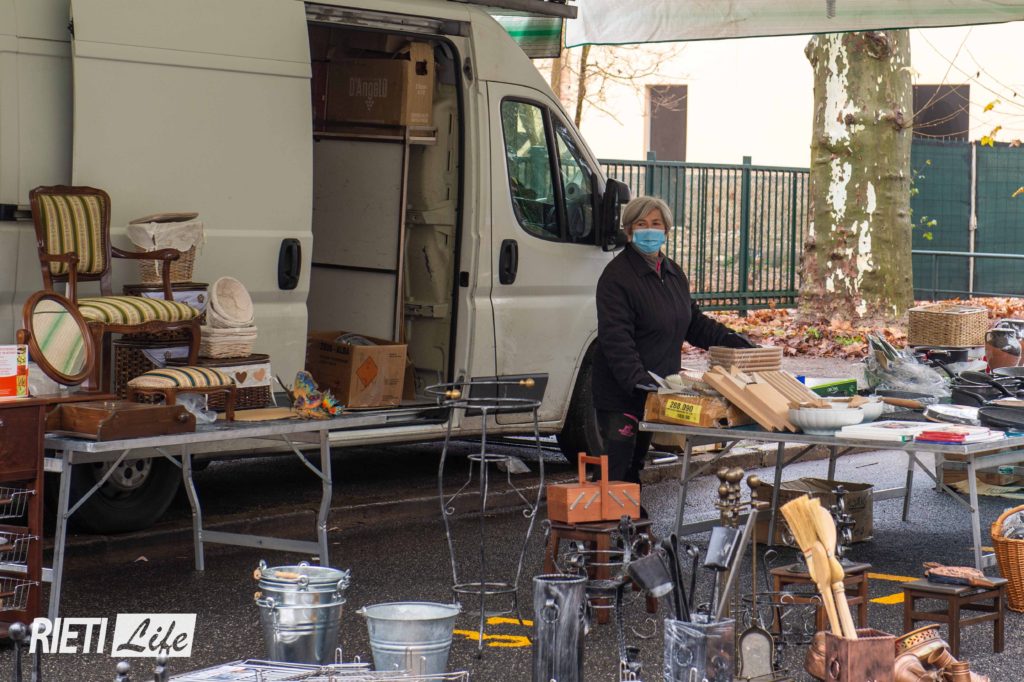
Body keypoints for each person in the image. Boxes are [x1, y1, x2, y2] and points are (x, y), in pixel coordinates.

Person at [592, 196, 756, 485]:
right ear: (629, 231)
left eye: (656, 224)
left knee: (636, 464)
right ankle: (609, 514)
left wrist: (734, 341)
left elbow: (693, 323)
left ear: (666, 230)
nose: (649, 230)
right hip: (623, 392)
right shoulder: (616, 277)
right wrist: (638, 381)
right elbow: (616, 337)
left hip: (656, 389)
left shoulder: (672, 272)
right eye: (641, 224)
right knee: (617, 466)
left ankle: (628, 514)